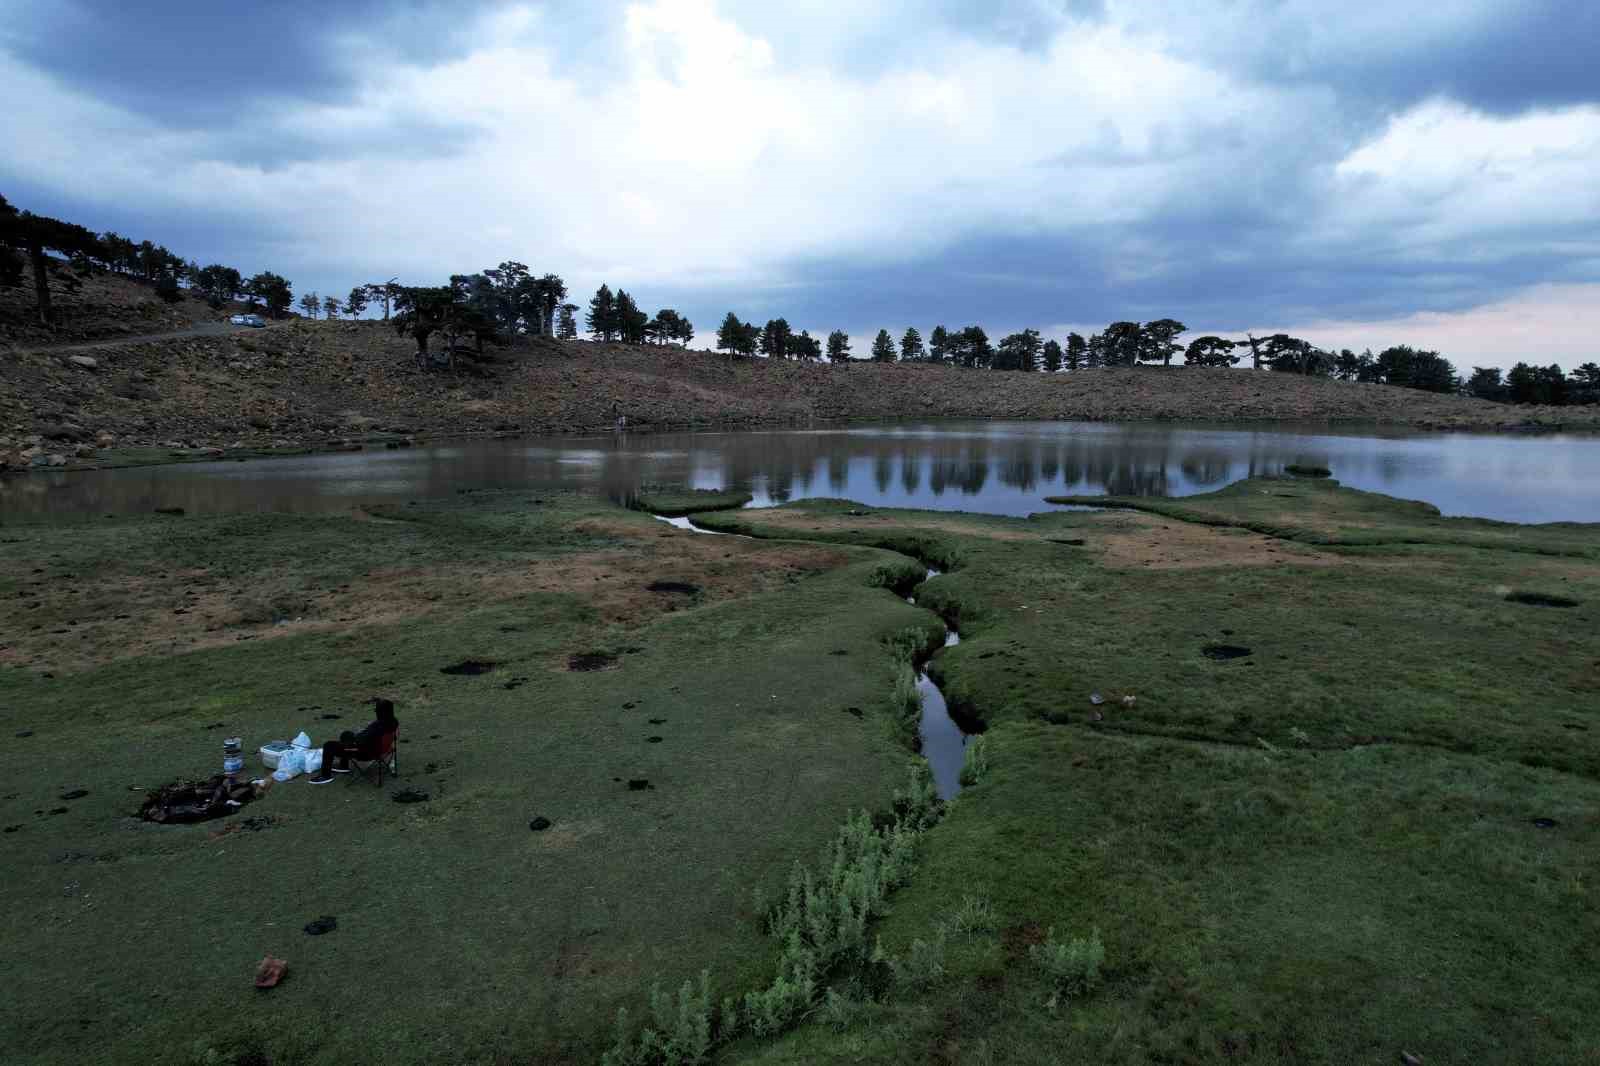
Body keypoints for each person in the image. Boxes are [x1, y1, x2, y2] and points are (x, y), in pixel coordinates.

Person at [308, 698, 398, 784]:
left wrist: (355, 740)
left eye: (377, 711)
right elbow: (370, 735)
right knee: (346, 734)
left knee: (328, 745)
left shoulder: (378, 726)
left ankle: (325, 776)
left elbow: (362, 740)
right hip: (381, 749)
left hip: (365, 753)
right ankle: (343, 766)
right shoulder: (393, 721)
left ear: (381, 712)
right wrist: (360, 735)